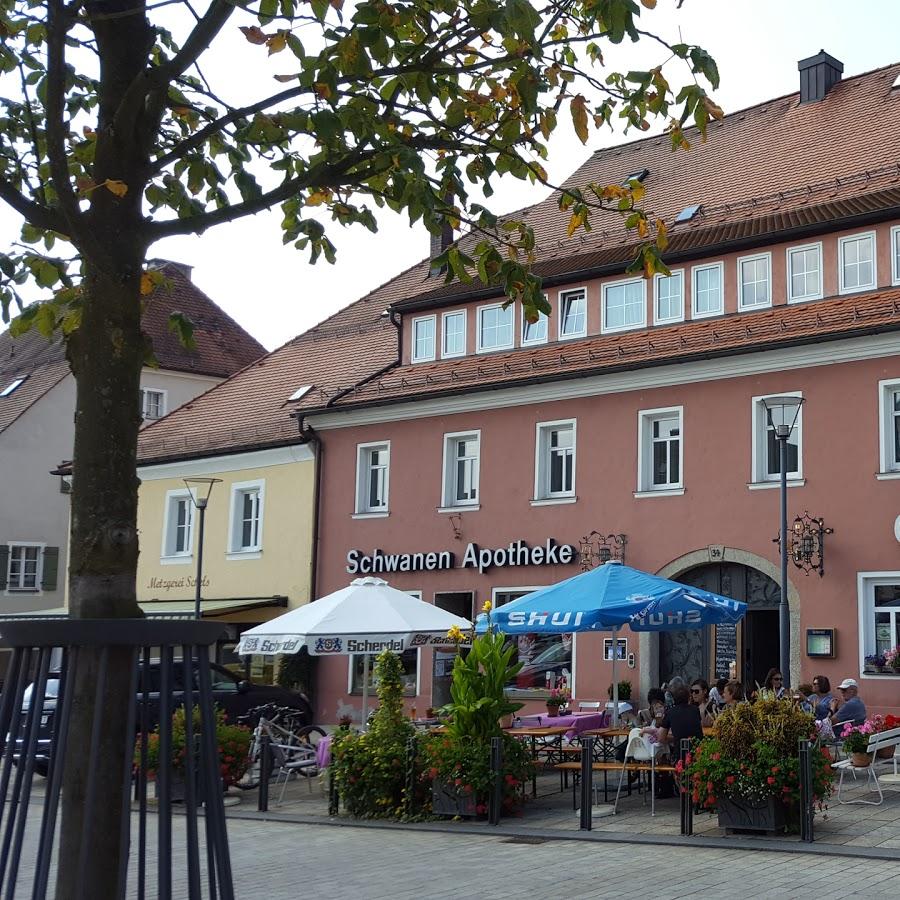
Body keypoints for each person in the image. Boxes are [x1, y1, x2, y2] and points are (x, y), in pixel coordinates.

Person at [652, 684, 703, 760]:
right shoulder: (695, 710)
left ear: (674, 699)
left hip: (679, 756)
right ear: (688, 698)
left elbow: (661, 738)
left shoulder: (670, 712)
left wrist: (674, 738)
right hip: (697, 753)